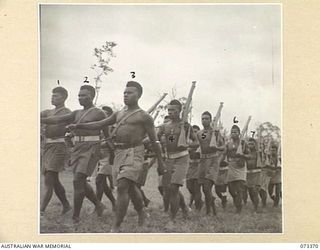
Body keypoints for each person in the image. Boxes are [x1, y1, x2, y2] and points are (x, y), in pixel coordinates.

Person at [67, 81, 166, 232]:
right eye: (124, 92)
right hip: (119, 153)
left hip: (135, 152)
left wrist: (160, 162)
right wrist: (78, 126)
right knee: (131, 187)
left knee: (122, 186)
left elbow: (155, 140)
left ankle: (116, 226)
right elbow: (99, 124)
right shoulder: (119, 113)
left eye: (130, 92)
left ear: (138, 95)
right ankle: (141, 213)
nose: (126, 95)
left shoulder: (144, 117)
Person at [41, 85, 107, 223]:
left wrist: (109, 152)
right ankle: (99, 205)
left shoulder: (99, 113)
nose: (81, 98)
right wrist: (38, 119)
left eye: (84, 95)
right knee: (80, 181)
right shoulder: (76, 113)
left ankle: (75, 216)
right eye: (79, 95)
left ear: (92, 96)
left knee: (77, 180)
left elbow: (106, 134)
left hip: (92, 148)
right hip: (78, 148)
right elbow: (57, 120)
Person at [157, 99, 199, 223]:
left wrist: (187, 146)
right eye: (169, 110)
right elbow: (156, 138)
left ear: (180, 111)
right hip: (168, 159)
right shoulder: (165, 126)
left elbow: (196, 142)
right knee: (168, 188)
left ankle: (172, 218)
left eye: (173, 110)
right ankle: (185, 207)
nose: (170, 112)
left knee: (174, 188)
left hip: (182, 158)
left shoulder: (186, 126)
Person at [40, 86, 72, 216]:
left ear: (64, 98)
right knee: (53, 179)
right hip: (47, 147)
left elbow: (54, 120)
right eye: (52, 95)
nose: (52, 98)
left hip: (59, 146)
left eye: (56, 96)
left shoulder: (67, 112)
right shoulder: (47, 111)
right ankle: (66, 205)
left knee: (49, 178)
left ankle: (41, 211)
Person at [196, 111, 224, 215]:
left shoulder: (215, 133)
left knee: (207, 186)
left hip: (213, 161)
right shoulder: (199, 133)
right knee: (204, 188)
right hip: (202, 161)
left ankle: (208, 212)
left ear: (211, 120)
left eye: (206, 118)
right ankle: (213, 209)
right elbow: (198, 144)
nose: (204, 121)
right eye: (202, 118)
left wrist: (216, 147)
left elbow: (223, 147)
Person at [223, 125, 250, 214]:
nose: (233, 134)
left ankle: (239, 208)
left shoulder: (243, 143)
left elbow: (249, 156)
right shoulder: (228, 144)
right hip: (231, 166)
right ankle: (237, 201)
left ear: (239, 133)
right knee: (231, 189)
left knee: (239, 188)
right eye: (232, 132)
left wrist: (242, 155)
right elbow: (224, 153)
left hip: (240, 167)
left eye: (235, 132)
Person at [95, 106, 116, 212]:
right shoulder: (99, 127)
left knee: (99, 181)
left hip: (108, 156)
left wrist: (99, 144)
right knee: (102, 183)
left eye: (106, 114)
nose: (104, 115)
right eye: (102, 113)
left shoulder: (113, 127)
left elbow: (111, 142)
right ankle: (114, 202)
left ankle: (98, 207)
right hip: (99, 156)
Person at [186, 125, 202, 210]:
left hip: (199, 167)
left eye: (196, 132)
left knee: (196, 188)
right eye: (193, 132)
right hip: (190, 167)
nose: (195, 134)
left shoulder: (201, 142)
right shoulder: (189, 142)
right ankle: (197, 201)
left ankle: (198, 206)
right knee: (189, 187)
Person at [246, 138, 261, 212]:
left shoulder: (258, 153)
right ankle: (254, 205)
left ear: (255, 145)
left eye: (252, 144)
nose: (250, 145)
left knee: (255, 191)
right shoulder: (245, 152)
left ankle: (256, 208)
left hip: (256, 173)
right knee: (250, 191)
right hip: (248, 173)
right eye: (249, 144)